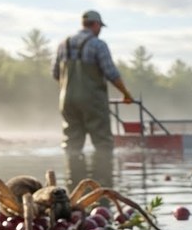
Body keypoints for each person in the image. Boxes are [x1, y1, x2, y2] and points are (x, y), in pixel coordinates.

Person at [52, 10, 133, 189]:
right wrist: (126, 93)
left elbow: (56, 74)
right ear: (95, 25)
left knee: (72, 143)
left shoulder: (63, 44)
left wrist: (71, 88)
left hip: (66, 100)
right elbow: (111, 73)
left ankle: (74, 188)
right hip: (92, 100)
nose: (100, 30)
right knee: (103, 142)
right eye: (100, 27)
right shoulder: (98, 44)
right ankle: (102, 187)